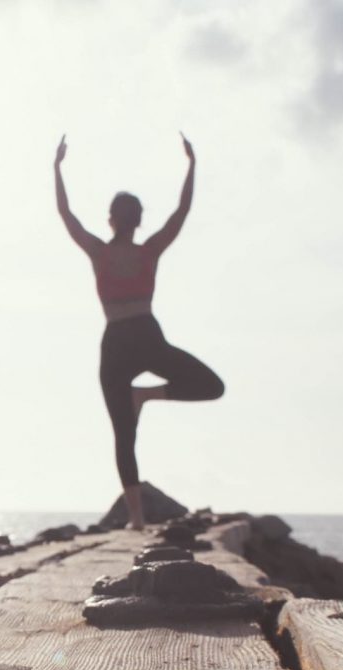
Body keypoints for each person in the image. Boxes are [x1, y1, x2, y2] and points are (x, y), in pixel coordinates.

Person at [54, 133, 224, 529]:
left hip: (116, 341)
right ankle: (147, 396)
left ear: (111, 219)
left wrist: (57, 169)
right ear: (138, 220)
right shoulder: (148, 251)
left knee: (123, 433)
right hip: (146, 336)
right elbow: (181, 213)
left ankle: (136, 518)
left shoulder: (100, 251)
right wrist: (192, 166)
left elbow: (67, 215)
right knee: (211, 386)